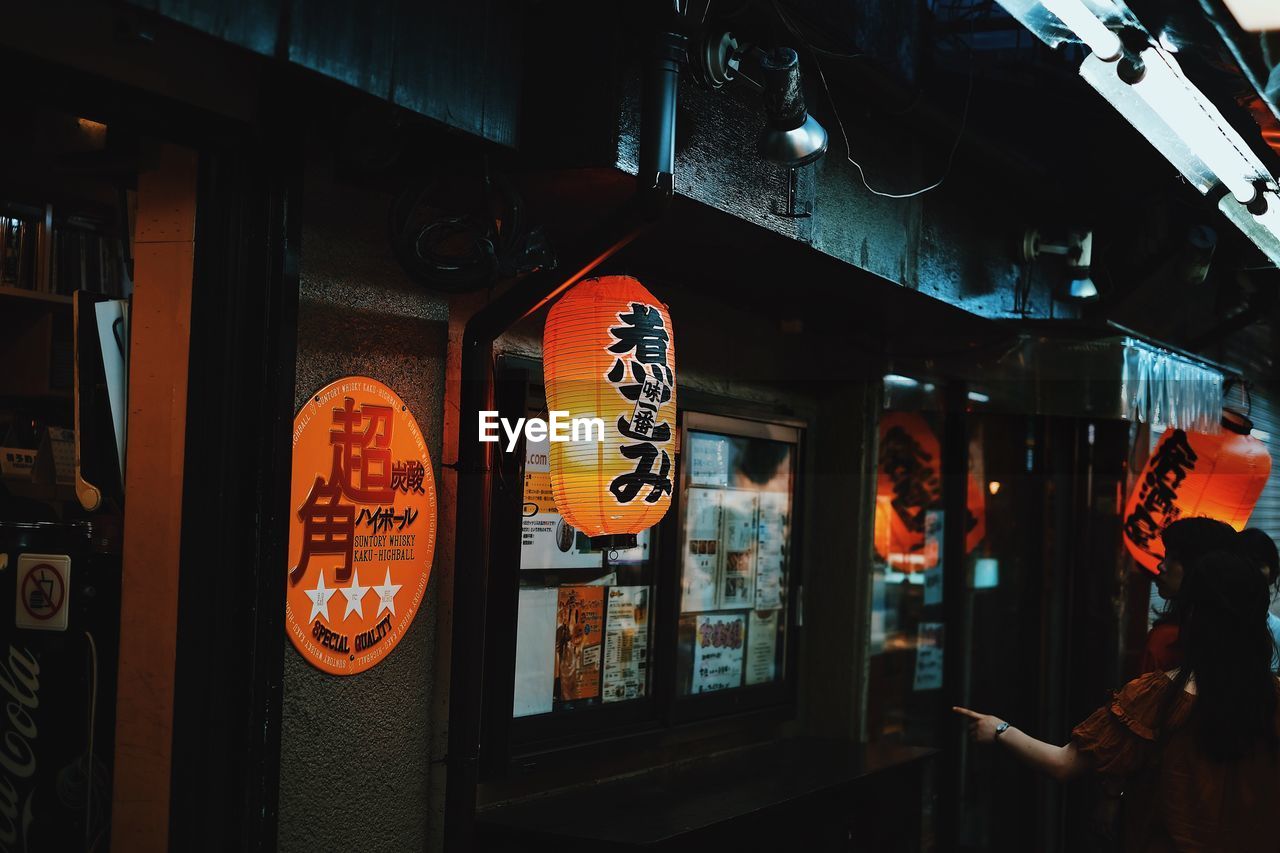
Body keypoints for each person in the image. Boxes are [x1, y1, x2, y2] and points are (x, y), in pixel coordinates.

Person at [954, 549, 1280, 852]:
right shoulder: (1272, 698)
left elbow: (1065, 764)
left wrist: (999, 729)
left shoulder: (1156, 697)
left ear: (1193, 614)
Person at [1141, 517, 1239, 673]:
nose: (1161, 566)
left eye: (1174, 559)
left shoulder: (1165, 641)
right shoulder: (1241, 636)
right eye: (1165, 556)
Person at [1239, 527, 1280, 672]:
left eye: (1258, 564)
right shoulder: (1212, 624)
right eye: (1243, 563)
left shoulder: (1277, 631)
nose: (1250, 571)